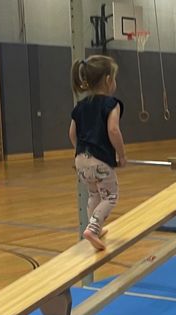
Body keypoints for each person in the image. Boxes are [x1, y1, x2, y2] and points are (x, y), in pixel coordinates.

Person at [70, 55, 125, 251]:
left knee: (94, 194)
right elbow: (113, 130)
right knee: (110, 197)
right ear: (109, 80)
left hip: (80, 160)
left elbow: (72, 134)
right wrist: (122, 155)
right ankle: (92, 229)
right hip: (100, 160)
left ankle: (95, 227)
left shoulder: (80, 106)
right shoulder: (112, 104)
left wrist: (81, 155)